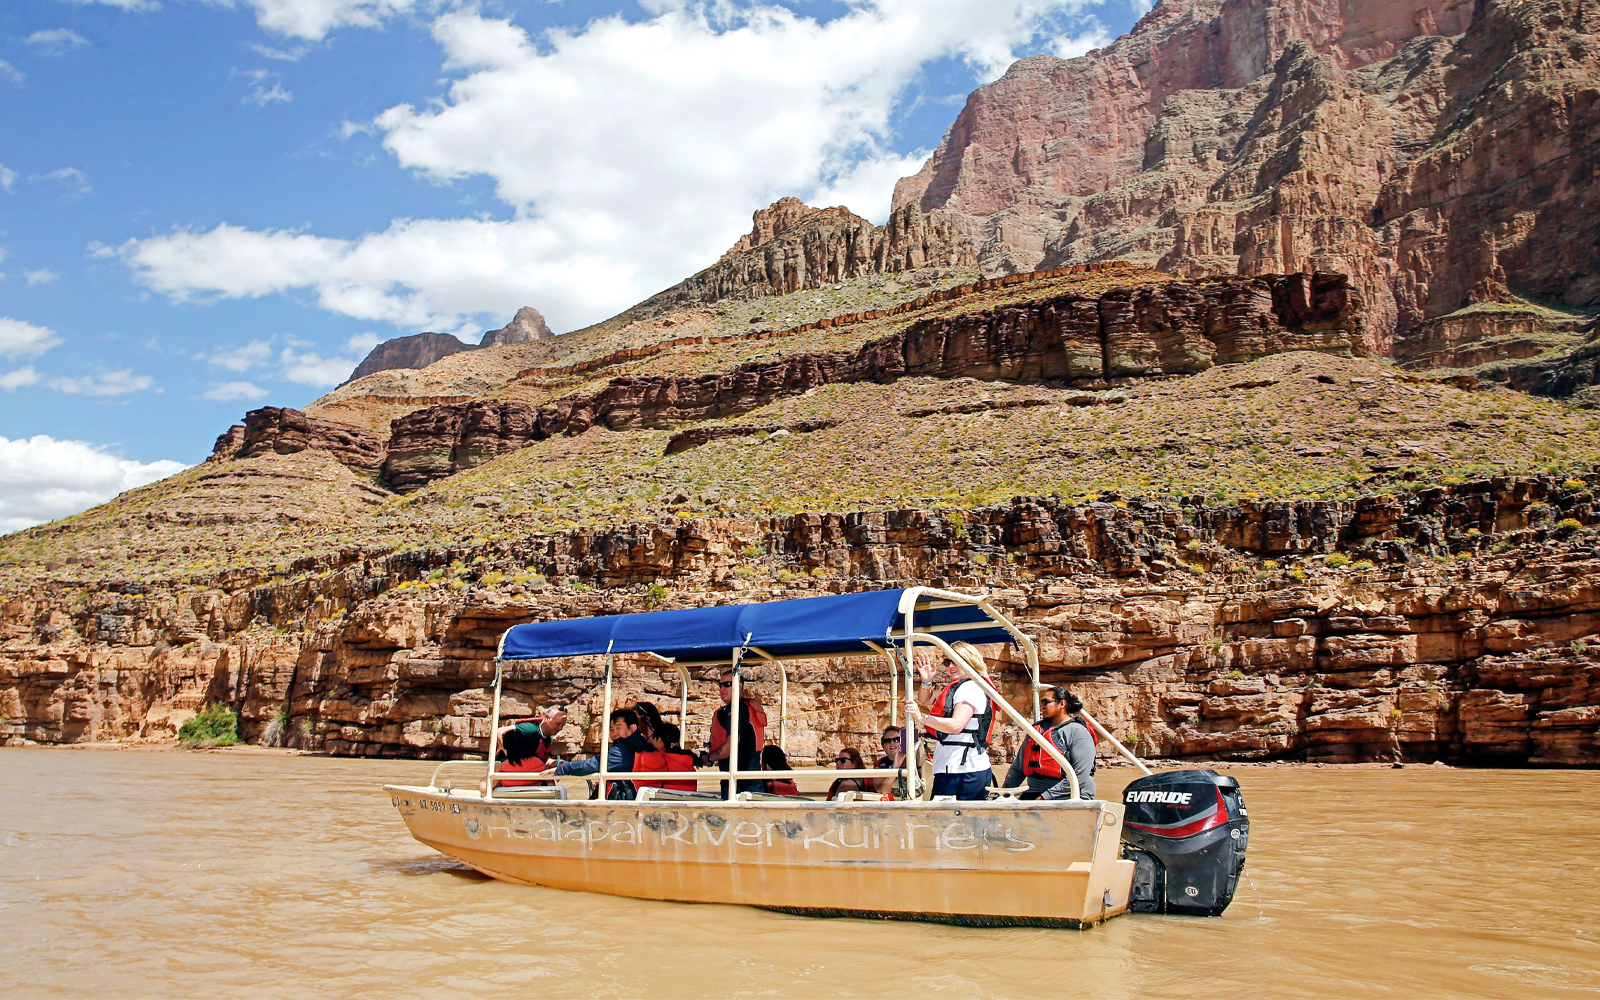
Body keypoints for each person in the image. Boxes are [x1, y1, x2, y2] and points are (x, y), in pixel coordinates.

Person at [904, 641, 996, 801]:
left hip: (963, 772)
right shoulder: (959, 687)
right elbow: (925, 698)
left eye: (956, 661)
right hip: (954, 770)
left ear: (969, 661)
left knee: (947, 823)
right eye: (947, 662)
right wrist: (926, 681)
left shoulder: (969, 689)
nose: (950, 667)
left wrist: (922, 718)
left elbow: (956, 725)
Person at [1002, 687, 1097, 799]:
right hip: (1036, 792)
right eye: (1042, 702)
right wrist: (1004, 794)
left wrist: (1045, 797)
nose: (1042, 706)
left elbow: (1080, 775)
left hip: (1071, 794)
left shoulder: (1077, 732)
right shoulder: (1036, 730)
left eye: (1046, 702)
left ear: (1062, 704)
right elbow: (1018, 769)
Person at [542, 708, 652, 800]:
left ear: (632, 728)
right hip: (638, 798)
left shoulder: (621, 749)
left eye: (619, 728)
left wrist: (560, 769)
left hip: (622, 802)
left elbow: (592, 765)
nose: (614, 733)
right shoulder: (643, 745)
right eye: (611, 729)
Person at [481, 706, 567, 794]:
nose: (560, 728)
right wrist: (507, 751)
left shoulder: (547, 739)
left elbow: (543, 759)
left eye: (563, 725)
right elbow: (499, 731)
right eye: (558, 724)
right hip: (508, 766)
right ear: (547, 719)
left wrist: (560, 765)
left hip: (522, 771)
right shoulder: (529, 729)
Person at [707, 669, 766, 792]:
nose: (722, 689)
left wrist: (709, 758)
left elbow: (730, 746)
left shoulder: (735, 710)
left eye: (727, 684)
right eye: (720, 685)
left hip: (739, 782)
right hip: (750, 778)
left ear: (739, 685)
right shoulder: (744, 707)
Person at [633, 721, 698, 792]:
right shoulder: (689, 760)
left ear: (660, 741)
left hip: (665, 800)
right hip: (688, 801)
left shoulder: (658, 759)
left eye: (654, 739)